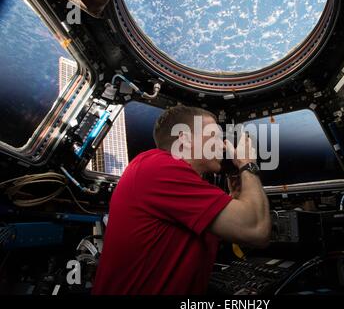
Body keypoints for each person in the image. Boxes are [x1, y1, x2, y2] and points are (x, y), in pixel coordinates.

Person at [92, 105, 271, 295]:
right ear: (184, 139)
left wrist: (233, 201)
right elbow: (257, 230)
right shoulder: (159, 167)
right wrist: (248, 165)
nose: (223, 145)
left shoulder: (167, 176)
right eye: (215, 136)